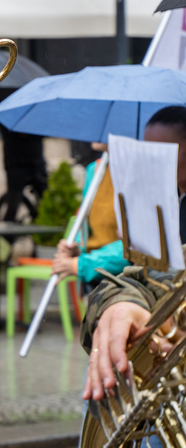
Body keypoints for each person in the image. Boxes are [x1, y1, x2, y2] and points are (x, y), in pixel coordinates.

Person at [81, 106, 186, 404]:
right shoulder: (166, 203)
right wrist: (121, 304)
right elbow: (142, 278)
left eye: (162, 152)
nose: (152, 161)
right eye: (147, 150)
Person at [51, 143, 129, 289]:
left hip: (121, 278)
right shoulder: (95, 170)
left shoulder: (134, 172)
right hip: (93, 274)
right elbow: (87, 222)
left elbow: (134, 247)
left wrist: (81, 265)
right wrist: (78, 249)